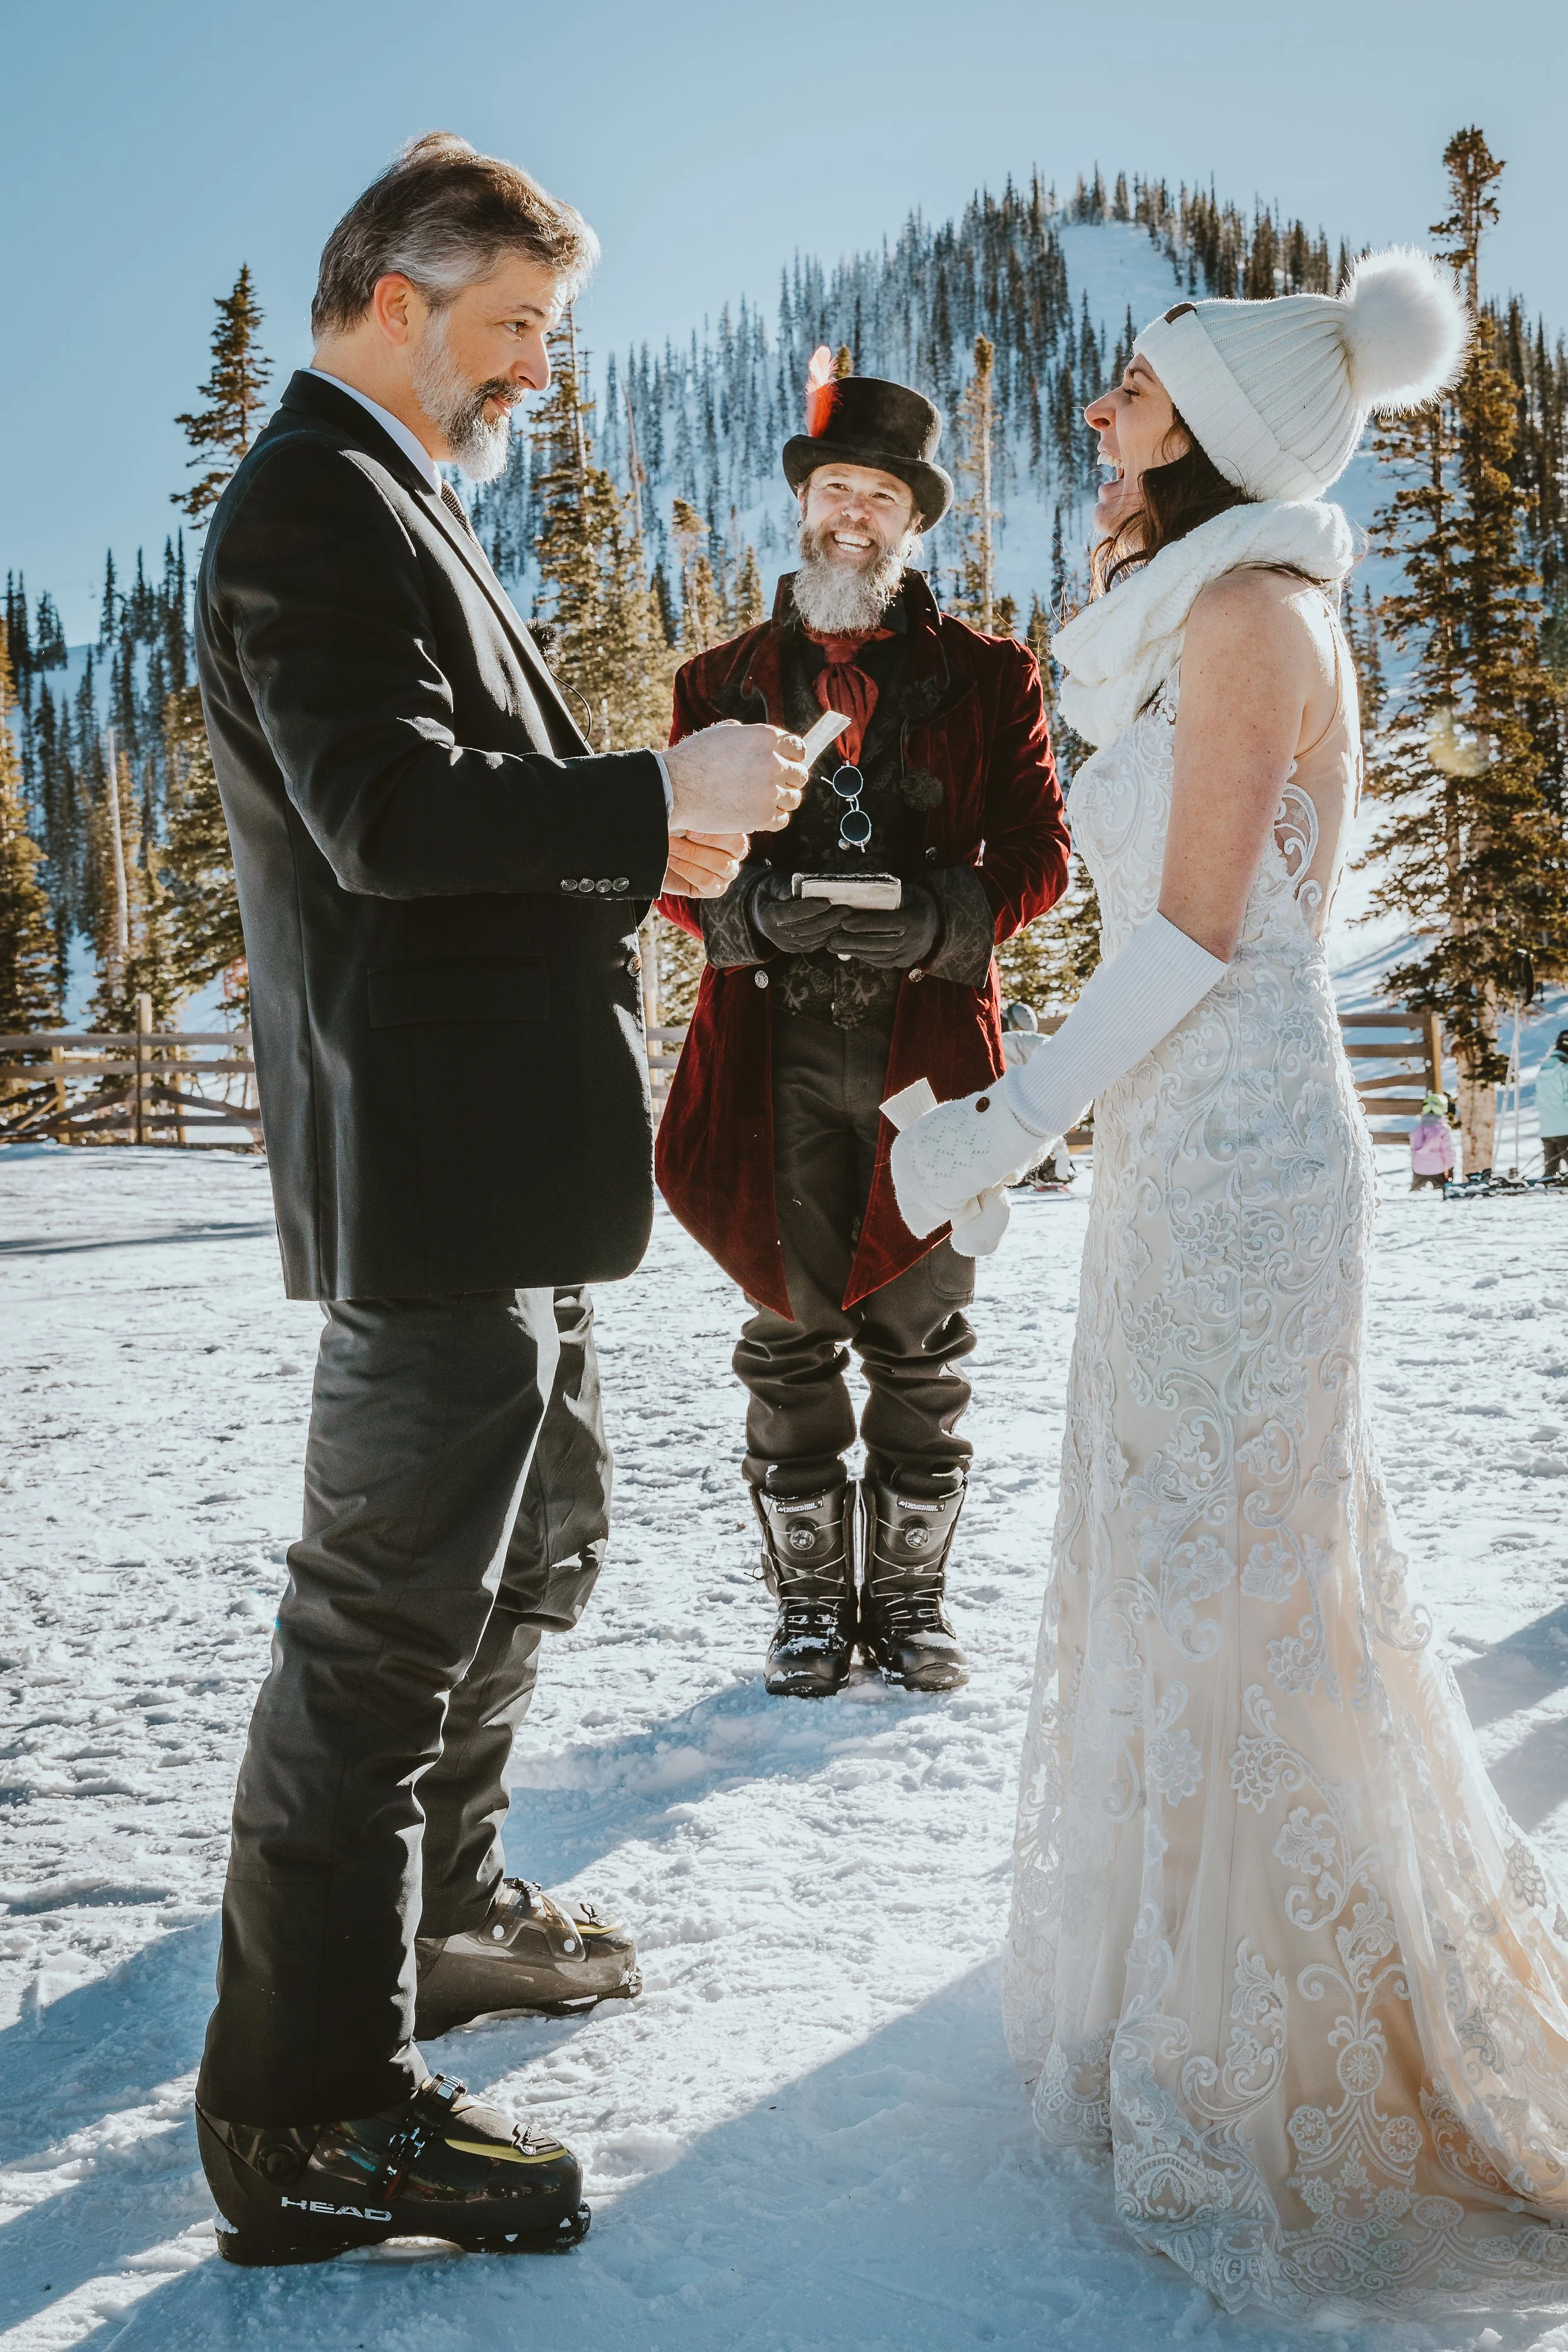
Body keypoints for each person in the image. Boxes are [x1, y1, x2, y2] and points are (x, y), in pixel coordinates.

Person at [893, 254, 1568, 2317]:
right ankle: (1210, 2006)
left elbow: (1185, 952)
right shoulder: (1208, 618)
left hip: (1250, 1151)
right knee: (1198, 1576)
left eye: (1118, 397)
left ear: (1191, 423)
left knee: (1251, 1583)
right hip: (1185, 1149)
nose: (1094, 424)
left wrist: (988, 1138)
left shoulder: (1263, 617)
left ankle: (1285, 2046)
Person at [189, 133, 805, 2267]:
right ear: (391, 294)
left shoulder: (391, 500)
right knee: (375, 1638)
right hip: (431, 1175)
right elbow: (378, 815)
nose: (540, 372)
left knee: (526, 1564)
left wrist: (652, 849)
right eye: (517, 327)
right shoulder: (304, 509)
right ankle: (306, 2116)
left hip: (504, 1169)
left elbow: (461, 813)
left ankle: (435, 1923)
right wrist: (659, 791)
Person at [654, 354, 1068, 1698]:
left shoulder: (994, 678)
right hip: (768, 1054)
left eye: (878, 497)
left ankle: (906, 1604)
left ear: (912, 519)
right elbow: (668, 860)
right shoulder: (715, 680)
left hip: (927, 1063)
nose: (852, 515)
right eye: (834, 487)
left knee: (922, 1335)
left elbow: (1041, 860)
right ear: (802, 502)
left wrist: (939, 921)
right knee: (784, 1332)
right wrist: (751, 918)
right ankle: (806, 1612)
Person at [1409, 1089, 1457, 1190]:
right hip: (1438, 1169)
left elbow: (1414, 1149)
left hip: (1419, 1169)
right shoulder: (1443, 1130)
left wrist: (1415, 1164)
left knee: (1416, 1189)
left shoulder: (1418, 1129)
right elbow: (1447, 1151)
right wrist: (1450, 1166)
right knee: (1443, 1190)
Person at [1539, 1029, 1568, 1180]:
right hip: (1565, 1128)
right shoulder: (1565, 1068)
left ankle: (1548, 1181)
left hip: (1547, 1128)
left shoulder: (1545, 1068)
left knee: (1550, 1173)